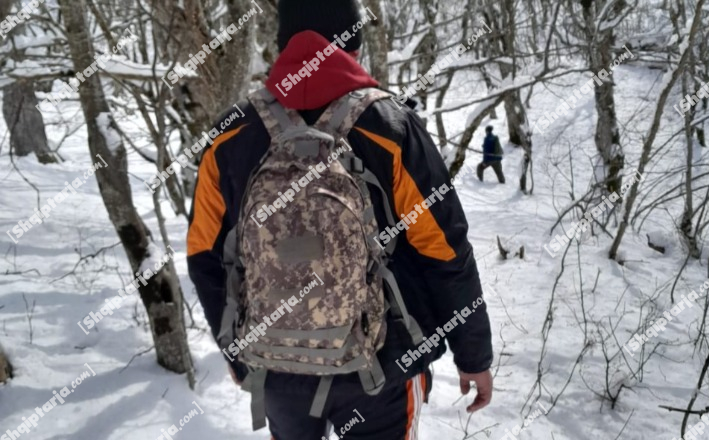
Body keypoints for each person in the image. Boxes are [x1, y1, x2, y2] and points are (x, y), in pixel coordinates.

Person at [186, 1, 493, 439]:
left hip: (277, 364)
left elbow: (205, 256)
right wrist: (473, 354)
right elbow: (443, 249)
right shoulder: (391, 126)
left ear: (284, 44)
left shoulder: (231, 134)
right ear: (354, 44)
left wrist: (236, 353)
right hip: (381, 368)